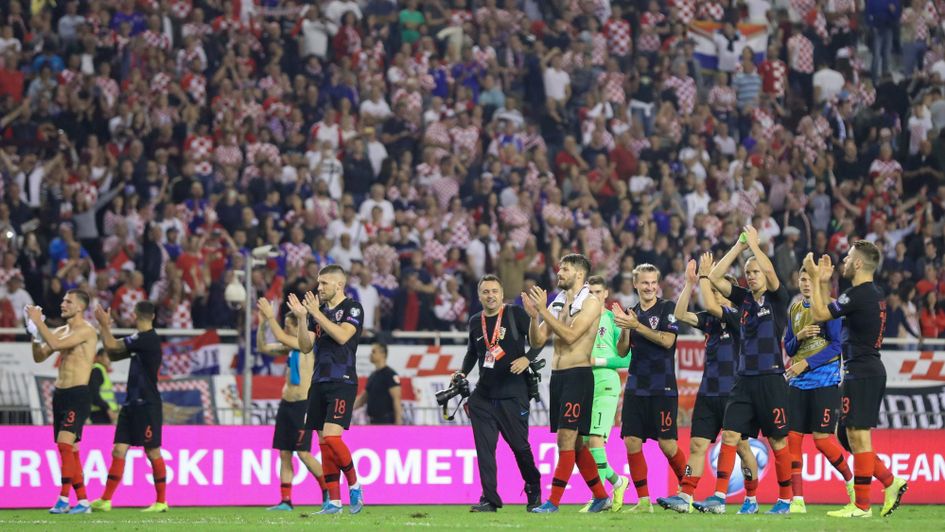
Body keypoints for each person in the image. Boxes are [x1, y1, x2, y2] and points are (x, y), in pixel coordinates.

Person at [804, 242, 908, 517]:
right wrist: (824, 284)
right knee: (846, 434)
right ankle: (890, 481)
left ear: (859, 263)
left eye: (849, 257)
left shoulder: (859, 294)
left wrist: (815, 279)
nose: (844, 261)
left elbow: (819, 314)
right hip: (865, 369)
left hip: (861, 371)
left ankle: (861, 505)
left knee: (858, 437)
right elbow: (831, 312)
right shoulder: (874, 293)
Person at [696, 226, 794, 514]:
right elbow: (714, 277)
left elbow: (773, 276)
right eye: (748, 272)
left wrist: (756, 247)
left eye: (756, 272)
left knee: (777, 441)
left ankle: (785, 499)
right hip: (743, 381)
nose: (751, 275)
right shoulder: (744, 299)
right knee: (729, 435)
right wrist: (740, 247)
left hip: (771, 379)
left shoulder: (778, 299)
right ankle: (720, 498)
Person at [657, 255, 761, 514]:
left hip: (735, 393)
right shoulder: (711, 321)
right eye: (712, 290)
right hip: (708, 392)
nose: (713, 294)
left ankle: (750, 497)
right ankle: (685, 495)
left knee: (742, 447)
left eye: (717, 290)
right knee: (697, 445)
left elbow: (715, 307)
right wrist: (689, 283)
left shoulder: (739, 316)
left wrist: (705, 276)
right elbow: (679, 314)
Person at [523, 254, 611, 513]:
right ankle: (601, 496)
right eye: (559, 267)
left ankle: (553, 502)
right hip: (559, 377)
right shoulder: (558, 302)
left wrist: (542, 311)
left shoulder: (591, 302)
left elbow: (572, 336)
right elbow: (538, 341)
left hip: (579, 376)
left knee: (565, 439)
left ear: (579, 274)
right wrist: (533, 317)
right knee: (577, 443)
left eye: (565, 269)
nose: (559, 272)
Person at [456, 274, 541, 512]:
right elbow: (472, 353)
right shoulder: (475, 321)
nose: (490, 295)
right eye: (485, 291)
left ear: (502, 294)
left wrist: (528, 358)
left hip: (514, 393)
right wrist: (462, 373)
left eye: (494, 291)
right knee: (484, 450)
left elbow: (539, 340)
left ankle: (533, 486)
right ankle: (490, 499)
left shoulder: (515, 314)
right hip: (483, 396)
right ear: (479, 295)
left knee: (520, 447)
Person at [610, 263, 686, 513]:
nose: (650, 287)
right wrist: (624, 330)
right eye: (645, 283)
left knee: (667, 445)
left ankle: (686, 492)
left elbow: (667, 340)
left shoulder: (667, 308)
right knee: (631, 442)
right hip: (635, 387)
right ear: (635, 284)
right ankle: (644, 502)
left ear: (658, 284)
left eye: (653, 282)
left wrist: (637, 327)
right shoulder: (630, 312)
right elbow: (622, 351)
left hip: (662, 387)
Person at [783, 268, 855, 514]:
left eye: (810, 279)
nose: (805, 283)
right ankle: (798, 500)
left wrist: (807, 363)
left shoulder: (831, 308)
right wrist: (800, 335)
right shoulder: (794, 310)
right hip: (798, 384)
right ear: (798, 281)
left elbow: (836, 346)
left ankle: (850, 482)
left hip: (824, 382)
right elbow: (789, 348)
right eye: (802, 279)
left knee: (822, 441)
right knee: (793, 439)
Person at [296, 265, 365, 515]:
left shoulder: (352, 308)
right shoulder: (319, 313)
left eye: (324, 283)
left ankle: (355, 484)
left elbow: (342, 336)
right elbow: (305, 347)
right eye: (319, 283)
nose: (319, 287)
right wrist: (304, 318)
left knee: (333, 437)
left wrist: (316, 313)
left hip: (342, 380)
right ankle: (334, 502)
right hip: (319, 381)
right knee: (323, 442)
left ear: (339, 285)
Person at [88, 301, 167, 513]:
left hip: (147, 404)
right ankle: (105, 500)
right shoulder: (139, 341)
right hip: (131, 404)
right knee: (118, 449)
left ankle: (161, 501)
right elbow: (112, 353)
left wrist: (104, 326)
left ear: (135, 315)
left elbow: (112, 346)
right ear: (152, 316)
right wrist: (106, 332)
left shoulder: (147, 339)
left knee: (152, 451)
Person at [27, 290, 98, 515]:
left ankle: (63, 498)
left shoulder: (87, 330)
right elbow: (39, 357)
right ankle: (84, 501)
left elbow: (56, 345)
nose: (62, 304)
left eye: (68, 301)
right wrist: (35, 336)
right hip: (60, 394)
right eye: (63, 300)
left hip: (78, 393)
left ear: (80, 307)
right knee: (72, 449)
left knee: (65, 445)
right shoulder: (60, 331)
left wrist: (39, 323)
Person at [256, 298, 329, 511]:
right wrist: (262, 322)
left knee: (304, 453)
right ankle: (286, 501)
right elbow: (262, 346)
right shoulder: (288, 349)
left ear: (298, 327)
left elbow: (280, 336)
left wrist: (271, 316)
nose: (285, 330)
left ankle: (328, 493)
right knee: (284, 453)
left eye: (289, 327)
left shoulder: (308, 346)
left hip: (303, 406)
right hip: (286, 405)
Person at [578, 276, 631, 512]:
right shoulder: (580, 320)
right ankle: (618, 482)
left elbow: (627, 357)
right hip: (585, 384)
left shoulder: (612, 319)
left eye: (598, 292)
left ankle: (597, 497)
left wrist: (596, 360)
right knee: (588, 442)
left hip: (606, 383)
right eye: (590, 292)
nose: (594, 296)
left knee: (596, 440)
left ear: (606, 293)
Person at [354, 343, 404, 425]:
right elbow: (363, 398)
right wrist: (347, 410)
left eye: (373, 352)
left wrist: (398, 422)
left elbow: (397, 399)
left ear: (383, 354)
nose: (370, 354)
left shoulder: (390, 374)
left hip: (386, 421)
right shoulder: (373, 375)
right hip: (373, 421)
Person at [88, 349, 118, 425]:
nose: (110, 360)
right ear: (99, 357)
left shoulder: (102, 371)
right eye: (107, 356)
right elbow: (94, 394)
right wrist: (108, 409)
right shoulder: (97, 370)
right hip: (100, 413)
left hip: (104, 413)